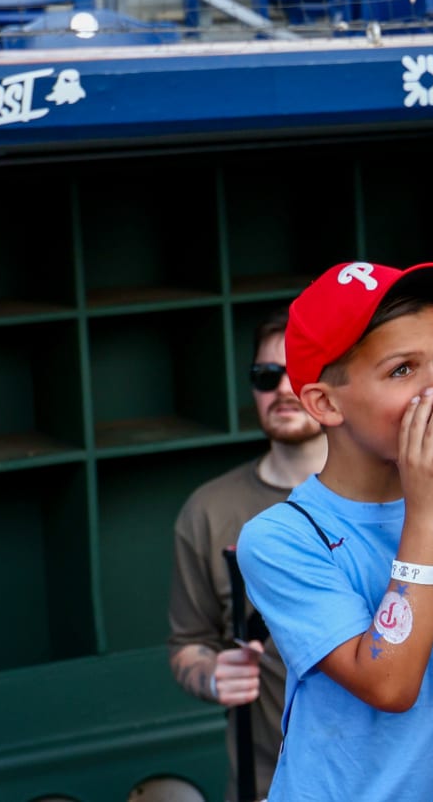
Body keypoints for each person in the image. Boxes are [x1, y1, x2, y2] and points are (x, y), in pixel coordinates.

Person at [236, 261, 433, 802]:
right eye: (402, 371)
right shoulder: (279, 538)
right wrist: (424, 513)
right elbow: (390, 684)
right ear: (324, 403)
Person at [165, 309, 328, 799]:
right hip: (271, 782)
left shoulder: (387, 495)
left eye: (298, 372)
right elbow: (186, 644)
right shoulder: (209, 509)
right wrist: (214, 676)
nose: (282, 389)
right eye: (265, 375)